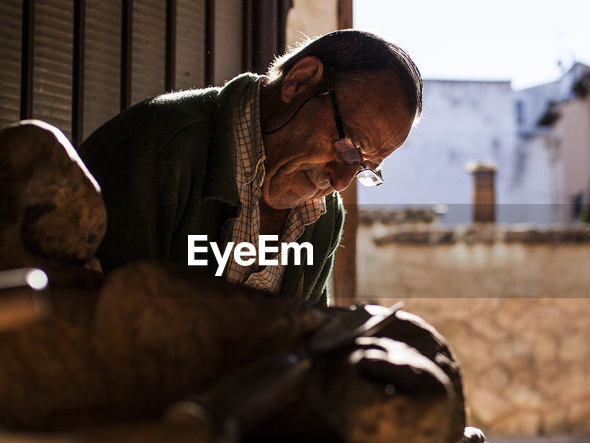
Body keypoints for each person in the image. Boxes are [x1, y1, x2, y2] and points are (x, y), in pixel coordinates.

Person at [78, 29, 423, 304]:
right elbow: (107, 337)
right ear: (300, 81)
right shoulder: (157, 150)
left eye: (365, 167)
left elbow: (305, 350)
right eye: (351, 145)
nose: (340, 182)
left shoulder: (323, 217)